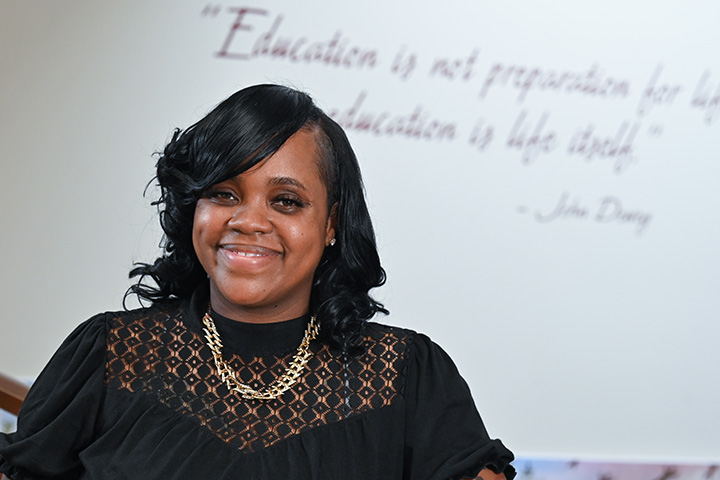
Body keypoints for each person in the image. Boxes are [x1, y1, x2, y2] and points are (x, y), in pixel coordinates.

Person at [0, 84, 515, 479]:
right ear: (193, 207)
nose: (248, 220)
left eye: (286, 201)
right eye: (223, 193)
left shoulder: (407, 377)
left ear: (332, 223)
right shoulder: (109, 356)